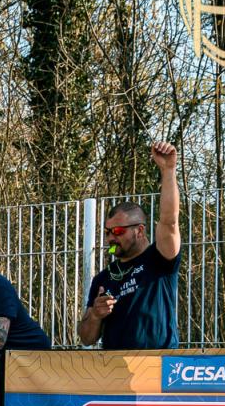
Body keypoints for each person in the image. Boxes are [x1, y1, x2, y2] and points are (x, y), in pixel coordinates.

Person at [77, 142, 182, 350]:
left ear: (140, 231)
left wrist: (168, 170)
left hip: (158, 363)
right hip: (115, 367)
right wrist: (96, 316)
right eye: (107, 232)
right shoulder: (103, 278)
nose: (111, 239)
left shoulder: (159, 259)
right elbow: (86, 338)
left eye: (118, 231)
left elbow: (169, 221)